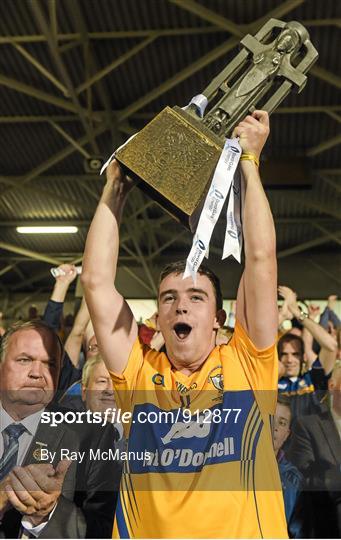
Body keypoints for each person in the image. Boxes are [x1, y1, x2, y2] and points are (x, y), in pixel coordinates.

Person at [82, 110, 287, 538]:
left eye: (197, 298)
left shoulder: (248, 364)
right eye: (170, 298)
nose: (181, 307)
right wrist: (115, 188)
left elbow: (261, 259)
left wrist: (250, 163)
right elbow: (97, 283)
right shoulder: (138, 373)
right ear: (157, 318)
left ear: (218, 319)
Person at [0, 320, 121, 538]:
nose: (37, 373)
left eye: (50, 364)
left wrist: (47, 514)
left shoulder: (93, 435)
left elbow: (103, 529)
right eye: (25, 360)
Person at [277, 286, 338, 419]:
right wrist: (282, 316)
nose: (289, 360)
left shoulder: (313, 379)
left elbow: (331, 346)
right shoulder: (269, 383)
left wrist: (298, 313)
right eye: (284, 354)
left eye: (295, 354)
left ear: (304, 356)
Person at [273, 397, 303, 538]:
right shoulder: (235, 465)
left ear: (286, 434)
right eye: (271, 418)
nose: (275, 427)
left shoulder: (294, 479)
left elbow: (298, 530)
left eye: (282, 423)